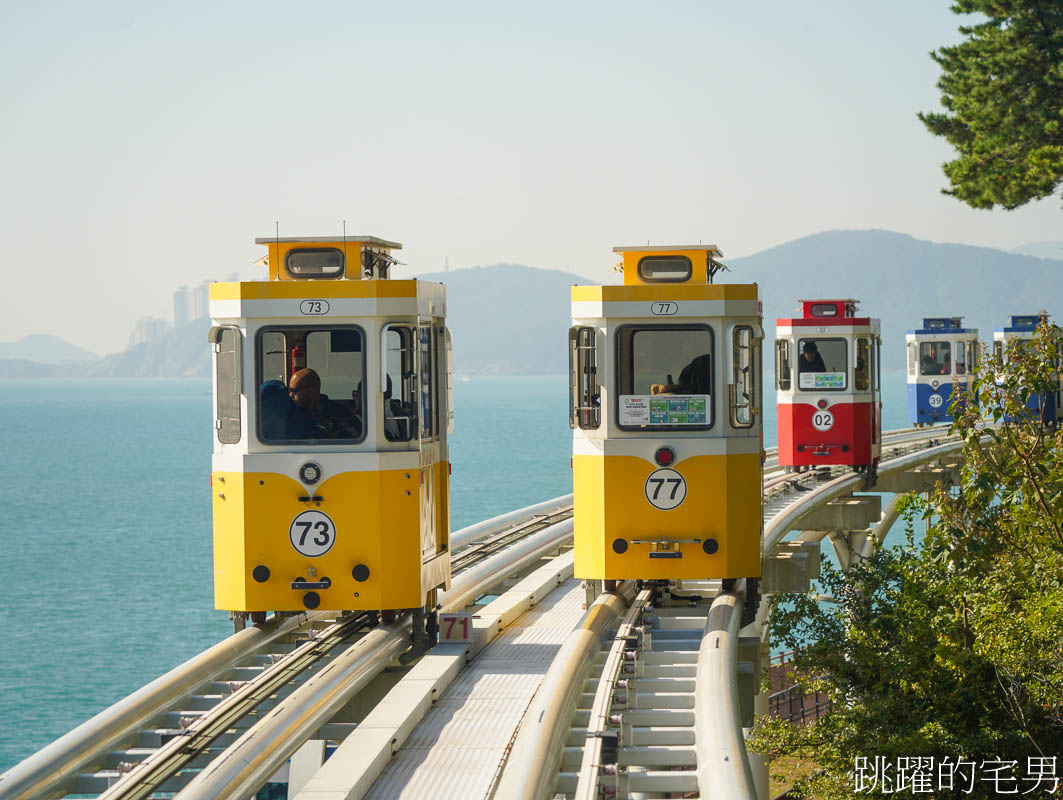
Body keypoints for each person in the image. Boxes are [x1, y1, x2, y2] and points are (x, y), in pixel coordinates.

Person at [289, 368, 361, 439]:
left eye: (295, 390)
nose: (290, 395)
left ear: (312, 390)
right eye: (289, 390)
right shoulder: (290, 413)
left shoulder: (339, 415)